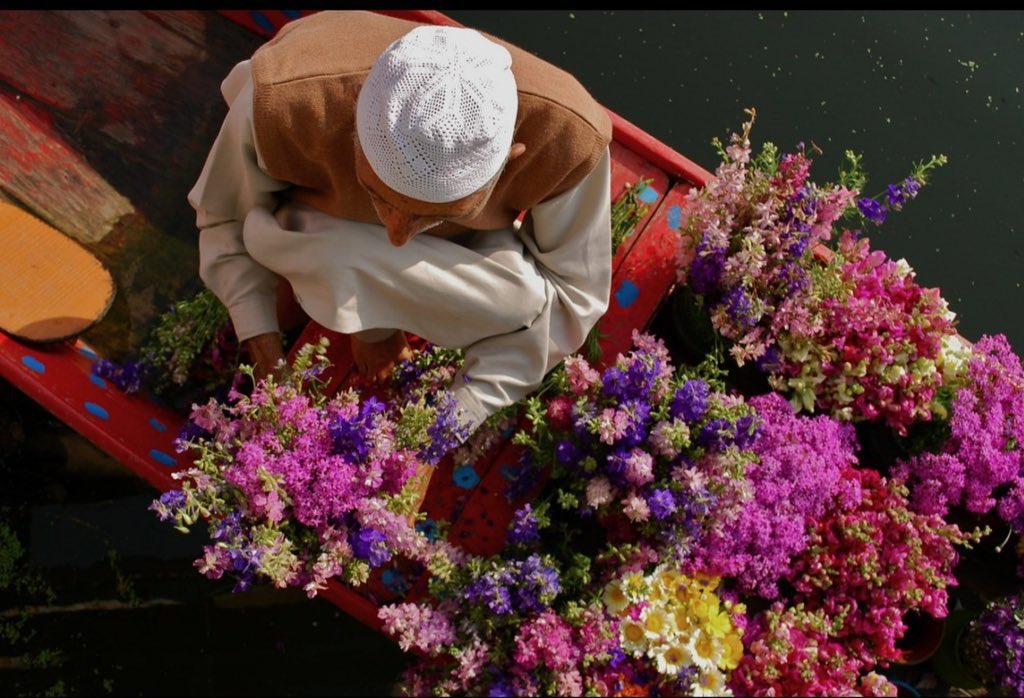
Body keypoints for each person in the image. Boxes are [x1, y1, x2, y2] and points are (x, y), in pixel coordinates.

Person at [189, 10, 613, 436]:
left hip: (466, 244)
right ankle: (348, 308)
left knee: (524, 306)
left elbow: (574, 298)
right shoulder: (282, 100)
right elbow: (226, 215)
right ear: (353, 118)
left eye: (434, 214)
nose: (396, 237)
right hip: (317, 223)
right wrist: (264, 349)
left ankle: (355, 297)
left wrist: (451, 418)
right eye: (379, 196)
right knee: (281, 270)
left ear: (510, 160)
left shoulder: (570, 142)